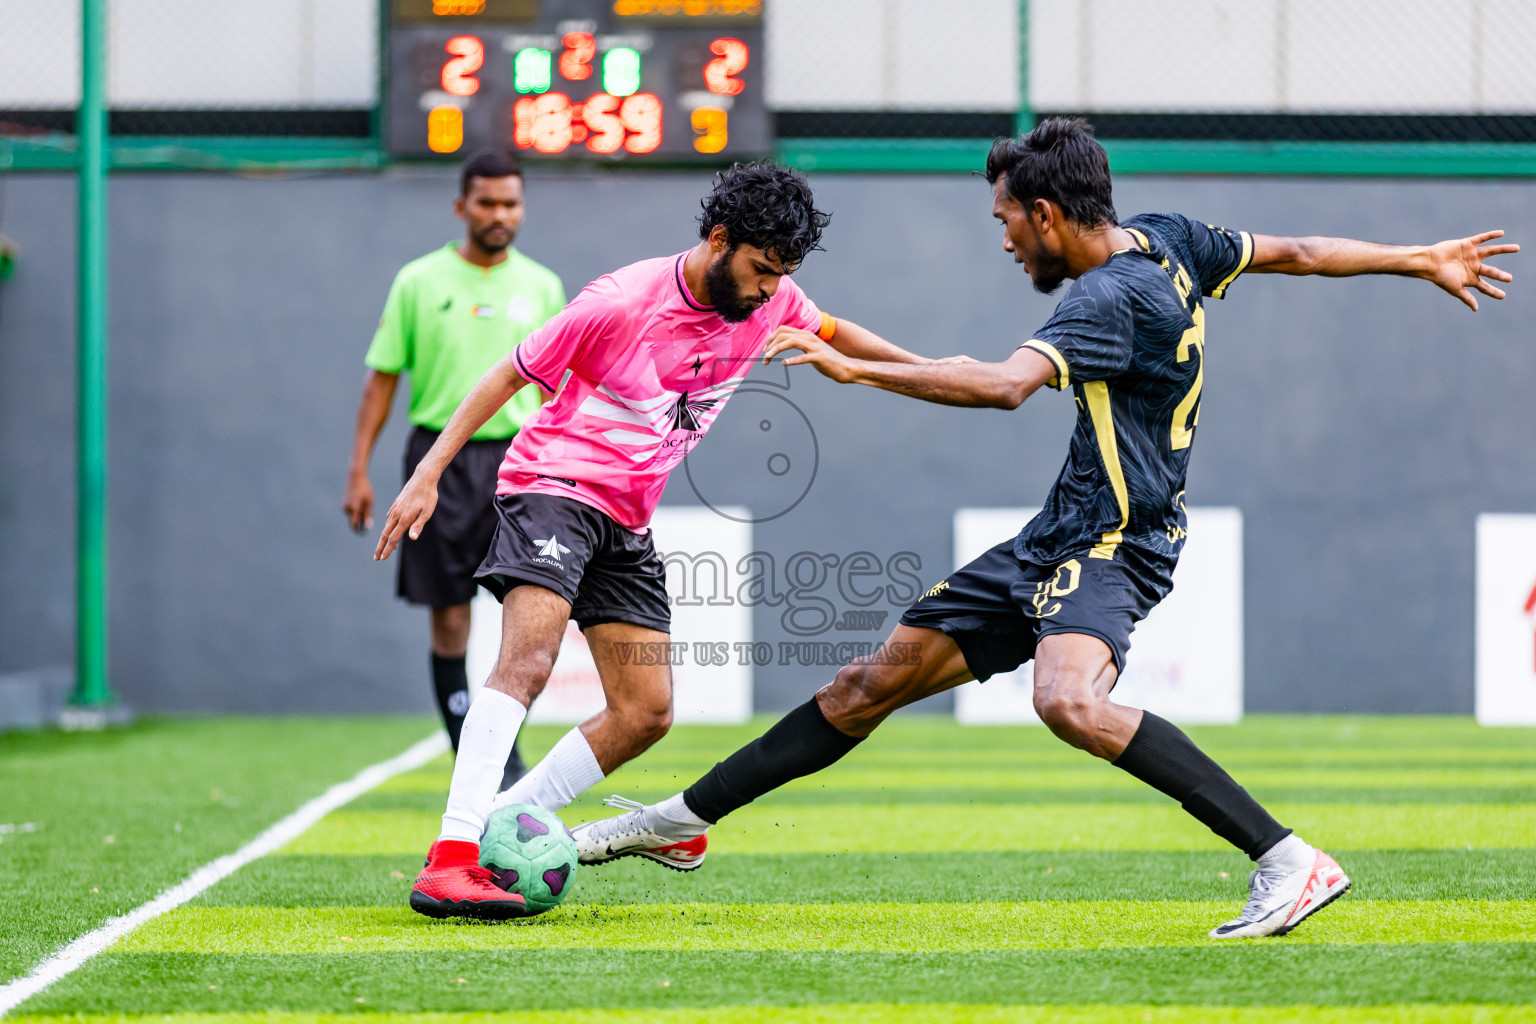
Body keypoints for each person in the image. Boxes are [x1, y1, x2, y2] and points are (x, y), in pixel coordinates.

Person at [573, 117, 1519, 940]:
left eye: (1005, 221)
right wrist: (1417, 258)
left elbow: (1000, 387)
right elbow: (1301, 252)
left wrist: (861, 373)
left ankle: (1288, 858)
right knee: (865, 686)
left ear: (1049, 215)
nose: (1005, 241)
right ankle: (679, 820)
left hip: (1115, 542)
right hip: (1054, 538)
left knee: (1068, 702)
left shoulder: (1108, 299)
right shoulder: (1172, 240)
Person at [373, 162, 945, 920]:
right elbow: (506, 376)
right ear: (718, 240)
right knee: (530, 660)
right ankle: (450, 859)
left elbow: (838, 332)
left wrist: (933, 370)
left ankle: (498, 822)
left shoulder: (772, 300)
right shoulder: (620, 301)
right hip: (551, 487)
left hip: (626, 519)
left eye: (784, 275)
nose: (773, 290)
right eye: (763, 269)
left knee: (645, 711)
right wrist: (428, 473)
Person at [346, 149, 564, 789]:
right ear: (461, 206)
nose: (500, 214)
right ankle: (468, 756)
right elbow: (381, 380)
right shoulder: (419, 281)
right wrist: (359, 469)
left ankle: (506, 759)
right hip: (437, 462)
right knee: (449, 617)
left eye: (511, 202)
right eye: (488, 202)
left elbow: (557, 390)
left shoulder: (543, 286)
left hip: (520, 465)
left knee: (527, 616)